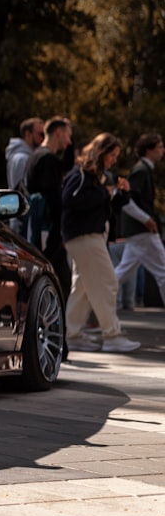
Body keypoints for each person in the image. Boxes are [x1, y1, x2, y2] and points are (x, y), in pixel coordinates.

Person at [61, 132, 140, 353]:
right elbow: (70, 199)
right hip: (85, 236)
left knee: (84, 288)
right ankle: (112, 335)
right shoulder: (83, 173)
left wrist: (121, 194)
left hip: (86, 236)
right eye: (112, 155)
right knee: (107, 282)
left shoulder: (94, 176)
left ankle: (72, 335)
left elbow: (106, 205)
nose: (114, 160)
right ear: (102, 152)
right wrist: (105, 193)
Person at [114, 133, 165, 311]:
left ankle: (91, 298)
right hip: (142, 229)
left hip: (138, 230)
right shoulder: (141, 170)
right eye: (159, 147)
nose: (162, 151)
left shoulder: (143, 169)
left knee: (122, 272)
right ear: (149, 150)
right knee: (163, 271)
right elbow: (128, 200)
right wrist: (147, 220)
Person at [25, 116, 74, 293]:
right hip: (49, 228)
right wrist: (60, 232)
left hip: (39, 226)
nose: (69, 142)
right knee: (59, 280)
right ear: (58, 133)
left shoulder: (35, 156)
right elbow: (55, 199)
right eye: (68, 136)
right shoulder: (48, 160)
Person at [5, 116, 45, 235]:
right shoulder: (22, 159)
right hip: (21, 222)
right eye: (40, 134)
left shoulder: (25, 156)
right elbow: (18, 191)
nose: (43, 138)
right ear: (28, 134)